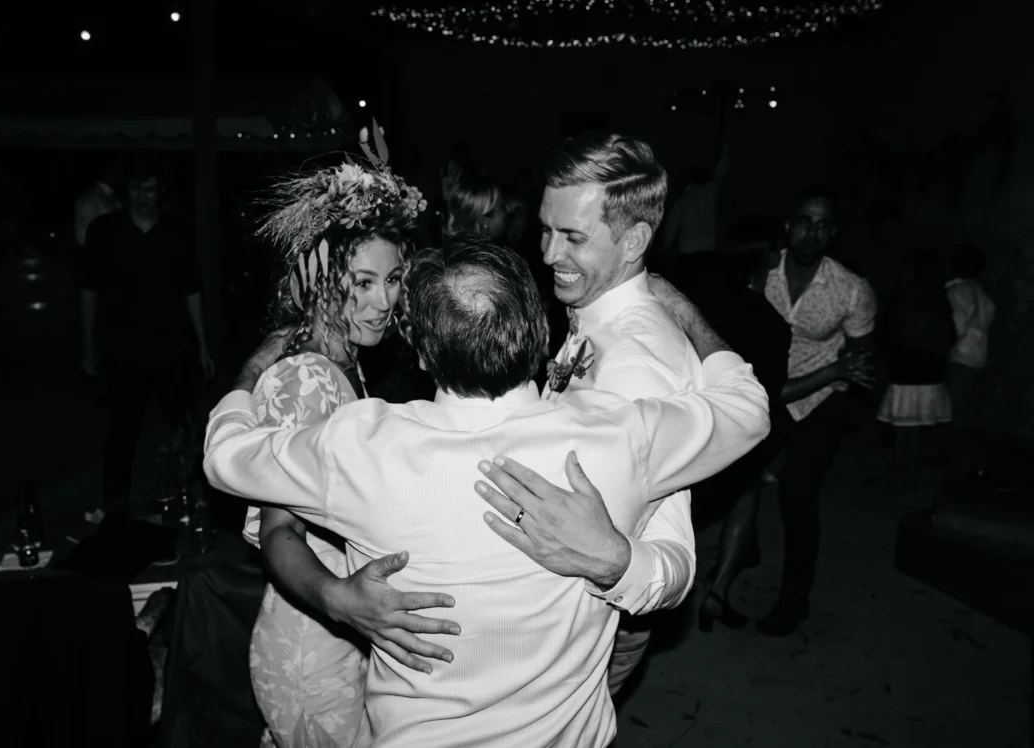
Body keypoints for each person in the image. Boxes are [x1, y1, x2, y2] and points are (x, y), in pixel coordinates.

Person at [204, 233, 771, 748]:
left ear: (422, 354)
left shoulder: (362, 447)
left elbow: (224, 456)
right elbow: (749, 409)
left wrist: (254, 367)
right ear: (539, 331)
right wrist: (680, 310)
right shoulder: (620, 436)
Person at [232, 150, 443, 747]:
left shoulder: (343, 362)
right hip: (312, 650)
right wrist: (342, 600)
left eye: (393, 279)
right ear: (323, 281)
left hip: (336, 636)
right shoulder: (310, 378)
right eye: (363, 283)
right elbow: (280, 533)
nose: (384, 301)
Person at [524, 131, 716, 695]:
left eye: (573, 237)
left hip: (593, 627)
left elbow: (671, 554)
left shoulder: (638, 364)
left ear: (634, 240)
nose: (548, 253)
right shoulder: (597, 313)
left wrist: (614, 565)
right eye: (546, 230)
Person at [758, 186, 877, 636]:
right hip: (762, 392)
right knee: (736, 484)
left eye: (824, 225)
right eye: (806, 221)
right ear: (789, 226)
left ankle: (793, 602)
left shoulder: (851, 289)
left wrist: (850, 384)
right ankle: (738, 554)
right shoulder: (762, 270)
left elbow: (861, 357)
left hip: (820, 399)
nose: (814, 232)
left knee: (797, 499)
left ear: (833, 234)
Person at [665, 221, 792, 630]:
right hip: (734, 432)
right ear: (767, 258)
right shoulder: (770, 323)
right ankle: (716, 593)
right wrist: (831, 373)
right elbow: (768, 394)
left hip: (683, 421)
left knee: (676, 502)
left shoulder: (697, 294)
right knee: (744, 499)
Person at [79, 155, 214, 516]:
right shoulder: (104, 230)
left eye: (150, 189)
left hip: (172, 344)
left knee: (185, 427)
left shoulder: (176, 231)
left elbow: (191, 290)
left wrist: (202, 346)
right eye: (136, 188)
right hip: (122, 347)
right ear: (125, 190)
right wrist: (87, 346)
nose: (142, 196)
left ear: (161, 190)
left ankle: (195, 496)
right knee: (122, 431)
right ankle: (114, 504)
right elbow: (89, 290)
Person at [876, 251, 956, 493]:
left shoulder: (904, 301)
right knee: (915, 430)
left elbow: (887, 335)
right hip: (930, 373)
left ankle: (896, 478)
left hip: (905, 372)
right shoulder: (940, 302)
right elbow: (950, 337)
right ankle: (907, 477)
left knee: (903, 430)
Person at [942, 242, 994, 477]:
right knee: (964, 408)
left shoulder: (956, 292)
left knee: (954, 409)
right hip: (977, 356)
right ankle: (962, 459)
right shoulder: (979, 292)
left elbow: (956, 328)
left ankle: (955, 460)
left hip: (961, 357)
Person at [75, 160, 123, 248]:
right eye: (116, 169)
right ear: (107, 171)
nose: (121, 173)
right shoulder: (90, 200)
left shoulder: (114, 198)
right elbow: (84, 238)